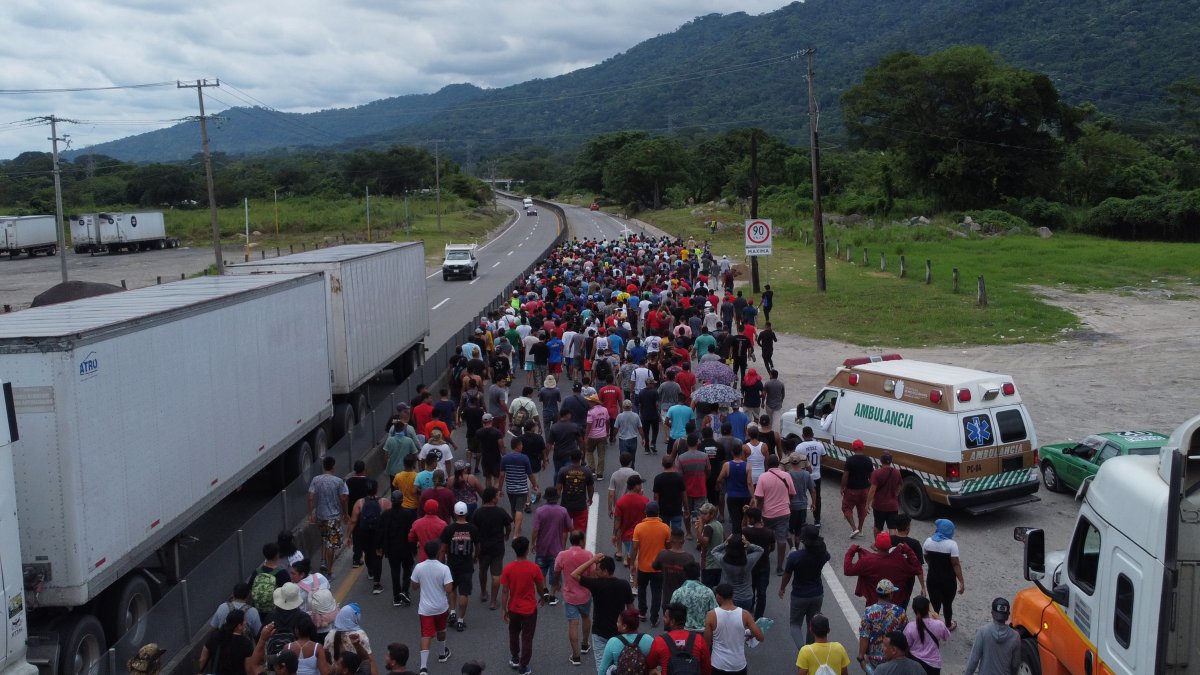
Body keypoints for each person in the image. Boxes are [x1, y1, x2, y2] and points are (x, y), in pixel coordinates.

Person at [573, 553, 636, 672]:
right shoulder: (624, 585)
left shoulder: (596, 585)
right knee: (620, 666)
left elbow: (574, 574)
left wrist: (592, 560)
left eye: (598, 569)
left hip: (600, 633)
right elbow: (631, 610)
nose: (595, 572)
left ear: (605, 571)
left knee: (602, 667)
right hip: (619, 633)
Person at [499, 536, 547, 675]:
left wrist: (504, 608)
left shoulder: (508, 568)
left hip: (513, 607)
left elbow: (505, 591)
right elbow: (540, 586)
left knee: (513, 633)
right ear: (527, 550)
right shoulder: (534, 568)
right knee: (527, 637)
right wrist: (542, 597)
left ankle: (514, 657)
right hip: (529, 609)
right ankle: (523, 665)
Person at [779, 524, 830, 649]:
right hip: (817, 594)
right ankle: (810, 650)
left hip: (799, 595)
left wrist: (782, 588)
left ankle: (803, 651)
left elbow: (787, 575)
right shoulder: (822, 554)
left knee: (795, 625)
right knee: (812, 624)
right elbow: (827, 555)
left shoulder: (795, 557)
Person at [844, 533, 923, 608]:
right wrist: (907, 550)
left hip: (873, 607)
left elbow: (848, 570)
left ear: (876, 546)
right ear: (890, 546)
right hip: (895, 607)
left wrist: (851, 551)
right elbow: (918, 569)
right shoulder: (899, 560)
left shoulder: (867, 561)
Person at [410, 540, 454, 673]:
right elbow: (448, 588)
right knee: (442, 630)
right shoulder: (444, 568)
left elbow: (414, 586)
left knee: (426, 635)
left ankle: (423, 667)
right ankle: (442, 654)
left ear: (425, 552)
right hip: (441, 606)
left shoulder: (419, 567)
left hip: (425, 608)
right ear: (438, 552)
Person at [553, 530, 595, 666]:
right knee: (586, 617)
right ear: (582, 541)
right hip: (585, 594)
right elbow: (593, 573)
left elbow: (556, 571)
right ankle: (584, 644)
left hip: (570, 595)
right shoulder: (588, 555)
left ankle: (576, 656)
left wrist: (557, 583)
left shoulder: (562, 555)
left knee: (573, 623)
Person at [704, 582, 765, 675]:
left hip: (718, 664)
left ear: (719, 597)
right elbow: (761, 637)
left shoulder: (711, 615)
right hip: (738, 665)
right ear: (732, 596)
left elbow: (707, 643)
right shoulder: (745, 615)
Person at [439, 502, 480, 632]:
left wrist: (441, 564)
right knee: (464, 592)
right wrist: (475, 556)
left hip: (452, 564)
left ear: (455, 514)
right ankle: (461, 620)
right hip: (466, 565)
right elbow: (478, 546)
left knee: (451, 588)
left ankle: (452, 611)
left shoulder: (449, 529)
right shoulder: (473, 529)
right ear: (466, 513)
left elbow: (443, 549)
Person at [470, 487, 513, 609]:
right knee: (496, 575)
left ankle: (483, 593)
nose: (498, 498)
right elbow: (508, 525)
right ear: (493, 498)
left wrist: (475, 547)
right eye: (497, 496)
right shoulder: (500, 511)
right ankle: (493, 601)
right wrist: (506, 535)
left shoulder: (478, 512)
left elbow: (473, 530)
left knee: (482, 571)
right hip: (497, 547)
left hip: (482, 548)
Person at [753, 455, 796, 575]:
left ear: (767, 464)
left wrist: (759, 512)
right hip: (783, 512)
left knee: (765, 537)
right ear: (778, 464)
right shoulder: (786, 475)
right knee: (781, 539)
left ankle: (763, 560)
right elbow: (792, 493)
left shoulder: (763, 477)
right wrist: (787, 502)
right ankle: (780, 567)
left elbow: (759, 497)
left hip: (768, 514)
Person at [631, 501, 672, 625]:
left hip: (643, 567)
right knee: (657, 592)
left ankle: (642, 613)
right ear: (658, 513)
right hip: (659, 568)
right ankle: (654, 618)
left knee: (642, 589)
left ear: (645, 513)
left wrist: (632, 563)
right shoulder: (665, 527)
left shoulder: (639, 527)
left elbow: (634, 548)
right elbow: (668, 547)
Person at [307, 456, 349, 577]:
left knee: (324, 539)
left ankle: (323, 561)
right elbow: (343, 499)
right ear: (333, 466)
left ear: (323, 466)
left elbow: (310, 497)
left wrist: (311, 514)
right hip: (333, 517)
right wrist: (345, 514)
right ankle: (329, 571)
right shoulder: (338, 481)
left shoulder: (316, 480)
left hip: (320, 516)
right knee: (332, 543)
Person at [530, 487, 572, 606]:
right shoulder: (563, 511)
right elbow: (569, 526)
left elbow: (535, 530)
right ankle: (553, 595)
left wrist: (533, 543)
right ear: (557, 497)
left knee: (541, 570)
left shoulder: (539, 511)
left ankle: (544, 590)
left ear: (546, 498)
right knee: (555, 572)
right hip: (556, 549)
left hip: (541, 547)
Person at [645, 602, 712, 675]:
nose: (663, 619)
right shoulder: (699, 640)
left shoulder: (659, 641)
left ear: (672, 622)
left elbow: (650, 664)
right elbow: (707, 669)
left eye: (665, 617)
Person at [923, 519, 965, 632]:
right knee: (947, 604)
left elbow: (926, 558)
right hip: (948, 581)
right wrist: (961, 582)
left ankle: (933, 626)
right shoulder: (952, 545)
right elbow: (955, 564)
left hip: (932, 579)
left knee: (935, 603)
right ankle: (947, 625)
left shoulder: (928, 542)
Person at [350, 479, 390, 595]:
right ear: (377, 489)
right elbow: (391, 517)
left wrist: (348, 535)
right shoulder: (384, 502)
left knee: (367, 553)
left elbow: (353, 521)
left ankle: (371, 571)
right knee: (378, 555)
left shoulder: (360, 503)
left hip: (364, 533)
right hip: (378, 533)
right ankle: (377, 584)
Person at [857, 579, 908, 671]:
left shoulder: (868, 611)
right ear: (891, 594)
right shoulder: (900, 612)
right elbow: (904, 636)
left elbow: (864, 635)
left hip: (873, 660)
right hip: (893, 657)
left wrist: (861, 656)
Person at [379, 491, 418, 607]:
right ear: (402, 501)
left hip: (391, 549)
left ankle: (396, 597)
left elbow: (380, 532)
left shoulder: (385, 515)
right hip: (406, 548)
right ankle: (405, 591)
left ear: (392, 500)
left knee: (394, 572)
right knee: (407, 570)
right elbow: (412, 532)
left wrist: (379, 547)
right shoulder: (408, 514)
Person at [963, 598, 1021, 675]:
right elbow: (1015, 664)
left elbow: (973, 660)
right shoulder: (1015, 636)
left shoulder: (983, 632)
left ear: (992, 613)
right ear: (1007, 615)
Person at [709, 536, 764, 613]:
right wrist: (749, 544)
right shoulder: (749, 561)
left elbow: (714, 551)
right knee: (743, 621)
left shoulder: (723, 560)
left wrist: (725, 543)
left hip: (729, 598)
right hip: (746, 597)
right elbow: (760, 550)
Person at [739, 507, 775, 620]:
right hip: (764, 565)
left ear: (753, 518)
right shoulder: (769, 532)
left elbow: (742, 532)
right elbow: (772, 548)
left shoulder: (746, 532)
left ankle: (749, 613)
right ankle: (759, 617)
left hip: (750, 566)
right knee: (762, 593)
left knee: (750, 591)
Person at [597, 608, 654, 675]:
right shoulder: (649, 639)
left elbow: (603, 669)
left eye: (618, 621)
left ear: (624, 626)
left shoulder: (613, 642)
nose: (616, 623)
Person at [888, 514, 928, 611]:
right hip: (907, 581)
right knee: (903, 604)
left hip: (889, 576)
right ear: (908, 528)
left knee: (888, 602)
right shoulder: (915, 544)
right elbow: (918, 567)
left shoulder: (888, 540)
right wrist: (923, 587)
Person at [199, 608, 255, 675]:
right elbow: (249, 669)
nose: (245, 623)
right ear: (239, 626)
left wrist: (200, 672)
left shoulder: (214, 637)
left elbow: (202, 659)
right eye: (244, 621)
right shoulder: (246, 644)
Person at [904, 597, 950, 674]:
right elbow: (946, 636)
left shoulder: (910, 627)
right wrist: (939, 619)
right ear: (928, 609)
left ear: (914, 610)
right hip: (933, 665)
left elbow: (906, 646)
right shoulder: (938, 624)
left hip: (914, 663)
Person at [499, 438, 535, 535]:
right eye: (521, 445)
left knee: (513, 507)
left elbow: (502, 475)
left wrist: (499, 489)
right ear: (518, 446)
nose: (522, 446)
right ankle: (516, 531)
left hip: (510, 489)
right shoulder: (524, 458)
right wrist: (535, 485)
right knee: (519, 509)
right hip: (522, 489)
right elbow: (530, 474)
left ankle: (516, 524)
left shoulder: (505, 458)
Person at [652, 528, 695, 607]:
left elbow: (654, 566)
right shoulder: (689, 558)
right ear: (683, 541)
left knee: (667, 617)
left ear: (670, 540)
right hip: (683, 599)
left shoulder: (662, 555)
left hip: (667, 598)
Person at [717, 443, 752, 536]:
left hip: (732, 496)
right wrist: (753, 496)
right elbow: (749, 483)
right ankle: (743, 537)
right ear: (741, 453)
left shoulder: (727, 465)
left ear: (732, 453)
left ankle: (736, 537)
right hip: (745, 496)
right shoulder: (748, 466)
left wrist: (720, 485)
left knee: (735, 518)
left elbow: (720, 478)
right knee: (743, 518)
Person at [556, 449, 595, 533]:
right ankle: (579, 546)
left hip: (566, 505)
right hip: (581, 506)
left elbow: (558, 488)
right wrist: (590, 498)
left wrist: (555, 502)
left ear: (570, 458)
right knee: (580, 532)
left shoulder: (563, 470)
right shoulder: (587, 471)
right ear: (581, 457)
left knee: (564, 531)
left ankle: (563, 546)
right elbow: (590, 487)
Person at [613, 475, 649, 565]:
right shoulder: (645, 500)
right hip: (642, 534)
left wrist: (614, 535)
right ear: (636, 486)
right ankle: (633, 576)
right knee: (637, 558)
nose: (641, 486)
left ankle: (629, 563)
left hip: (627, 536)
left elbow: (617, 521)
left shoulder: (620, 502)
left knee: (632, 555)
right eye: (640, 484)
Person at [841, 440, 873, 538]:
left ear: (853, 448)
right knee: (862, 509)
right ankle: (860, 529)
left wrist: (843, 487)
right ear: (863, 448)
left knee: (846, 508)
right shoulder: (868, 460)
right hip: (864, 490)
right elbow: (871, 476)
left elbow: (845, 476)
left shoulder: (850, 460)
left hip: (852, 490)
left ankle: (855, 529)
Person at [785, 453, 818, 550]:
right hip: (803, 505)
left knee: (789, 529)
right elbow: (813, 490)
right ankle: (797, 547)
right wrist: (814, 503)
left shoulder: (788, 474)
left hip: (791, 506)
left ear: (790, 462)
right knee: (799, 530)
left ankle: (792, 548)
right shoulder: (806, 474)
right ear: (800, 462)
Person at [867, 451, 903, 538]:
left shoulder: (876, 473)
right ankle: (893, 546)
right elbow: (900, 485)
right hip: (893, 505)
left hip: (879, 505)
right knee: (892, 527)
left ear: (881, 461)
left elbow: (872, 490)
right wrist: (896, 494)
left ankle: (878, 545)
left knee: (878, 526)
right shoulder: (897, 472)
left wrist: (867, 503)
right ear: (891, 461)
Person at [795, 427, 826, 527]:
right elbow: (824, 457)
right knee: (817, 497)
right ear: (812, 435)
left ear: (803, 436)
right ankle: (817, 520)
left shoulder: (799, 447)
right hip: (816, 476)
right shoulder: (819, 445)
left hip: (804, 476)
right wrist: (817, 464)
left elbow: (796, 462)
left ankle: (802, 520)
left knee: (802, 497)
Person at [653, 454, 688, 533]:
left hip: (663, 510)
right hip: (676, 510)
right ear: (673, 464)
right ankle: (675, 545)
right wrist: (686, 508)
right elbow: (684, 495)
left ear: (662, 464)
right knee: (676, 532)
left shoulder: (658, 478)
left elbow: (656, 496)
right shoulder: (679, 477)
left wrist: (656, 510)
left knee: (664, 532)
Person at [694, 502, 725, 588]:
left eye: (705, 513)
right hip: (718, 564)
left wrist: (699, 530)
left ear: (712, 514)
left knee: (708, 591)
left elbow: (703, 543)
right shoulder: (719, 524)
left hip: (708, 565)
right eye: (701, 513)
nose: (702, 516)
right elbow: (724, 540)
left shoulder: (708, 527)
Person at [409, 499, 448, 564]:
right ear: (437, 509)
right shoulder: (443, 524)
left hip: (423, 558)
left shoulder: (417, 523)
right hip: (438, 558)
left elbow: (411, 538)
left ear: (424, 509)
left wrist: (418, 541)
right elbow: (446, 543)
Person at [584, 394, 610, 478]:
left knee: (589, 452)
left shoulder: (590, 412)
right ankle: (600, 473)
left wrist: (586, 436)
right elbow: (607, 421)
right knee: (601, 455)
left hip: (592, 436)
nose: (588, 403)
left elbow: (589, 425)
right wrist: (607, 432)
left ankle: (592, 469)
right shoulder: (605, 410)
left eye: (589, 401)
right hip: (602, 435)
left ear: (593, 402)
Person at [614, 401, 643, 467]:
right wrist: (643, 438)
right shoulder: (636, 415)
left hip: (623, 439)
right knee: (632, 458)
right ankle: (632, 471)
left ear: (623, 407)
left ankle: (624, 472)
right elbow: (640, 428)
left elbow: (616, 428)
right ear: (631, 406)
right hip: (633, 439)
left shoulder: (619, 416)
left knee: (624, 459)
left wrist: (613, 436)